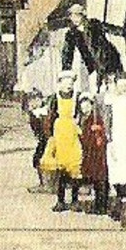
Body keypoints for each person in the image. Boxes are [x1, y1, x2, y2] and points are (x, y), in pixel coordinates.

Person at [38, 71, 87, 212]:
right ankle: (60, 200)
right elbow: (50, 117)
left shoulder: (77, 97)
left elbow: (82, 113)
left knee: (75, 167)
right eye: (65, 83)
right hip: (60, 134)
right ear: (60, 84)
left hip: (73, 133)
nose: (68, 86)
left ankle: (75, 200)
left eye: (71, 83)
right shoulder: (55, 98)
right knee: (61, 169)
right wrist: (49, 136)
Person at [61, 3, 122, 95]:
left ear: (83, 16)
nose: (75, 19)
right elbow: (67, 53)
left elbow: (110, 28)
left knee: (115, 86)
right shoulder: (71, 34)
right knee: (97, 90)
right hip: (93, 65)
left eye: (77, 15)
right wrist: (66, 70)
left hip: (109, 60)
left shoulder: (94, 24)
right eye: (72, 16)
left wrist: (124, 32)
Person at [103, 73, 126, 210]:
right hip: (116, 138)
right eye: (121, 86)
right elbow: (107, 122)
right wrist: (110, 139)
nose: (124, 88)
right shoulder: (112, 101)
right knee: (116, 169)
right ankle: (119, 204)